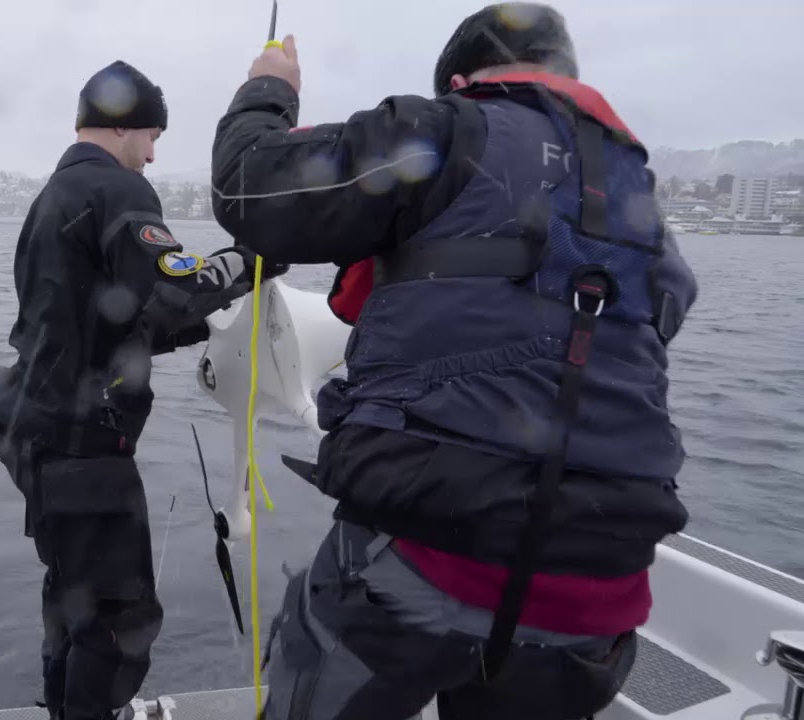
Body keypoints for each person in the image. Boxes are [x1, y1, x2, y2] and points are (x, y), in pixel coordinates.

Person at [209, 4, 698, 719]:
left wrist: (268, 90)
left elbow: (250, 188)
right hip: (601, 580)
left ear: (463, 81)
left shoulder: (445, 128)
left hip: (431, 553)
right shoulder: (637, 192)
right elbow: (668, 310)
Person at [0, 59, 278, 720]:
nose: (151, 155)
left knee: (74, 599)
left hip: (37, 433)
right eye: (152, 139)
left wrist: (199, 325)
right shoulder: (117, 190)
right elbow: (171, 289)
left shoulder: (52, 199)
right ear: (127, 128)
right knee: (120, 617)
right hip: (84, 444)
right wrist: (253, 258)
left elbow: (103, 321)